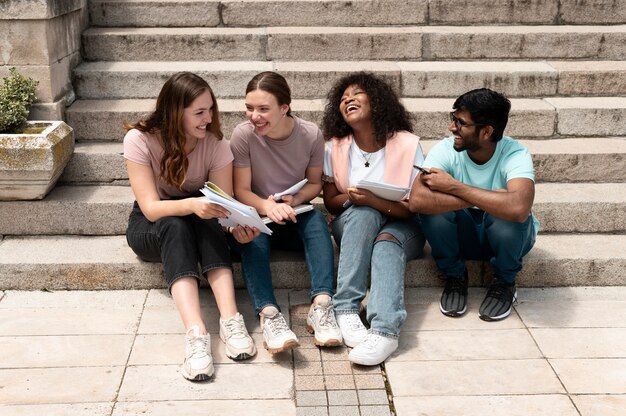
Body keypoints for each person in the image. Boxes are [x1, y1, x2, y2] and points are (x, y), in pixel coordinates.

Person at [123, 72, 258, 382]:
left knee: (206, 219)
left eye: (210, 109)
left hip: (202, 217)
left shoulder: (215, 144)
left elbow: (223, 206)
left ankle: (230, 319)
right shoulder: (140, 139)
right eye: (199, 112)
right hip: (151, 224)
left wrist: (234, 228)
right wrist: (192, 205)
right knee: (174, 222)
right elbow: (150, 207)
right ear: (174, 112)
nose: (208, 119)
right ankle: (196, 334)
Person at [229, 71, 342, 354]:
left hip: (294, 214)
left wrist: (295, 200)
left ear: (284, 107)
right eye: (249, 108)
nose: (254, 116)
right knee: (252, 233)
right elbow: (241, 190)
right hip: (259, 212)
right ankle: (269, 315)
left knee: (316, 220)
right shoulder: (243, 135)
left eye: (263, 109)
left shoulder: (310, 134)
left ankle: (323, 306)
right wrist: (268, 206)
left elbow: (315, 184)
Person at [321, 72, 425, 366]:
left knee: (387, 243)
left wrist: (376, 200)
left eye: (356, 94)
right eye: (343, 99)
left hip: (402, 225)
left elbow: (413, 207)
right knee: (365, 214)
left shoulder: (407, 144)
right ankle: (346, 308)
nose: (348, 100)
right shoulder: (336, 146)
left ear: (377, 102)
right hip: (354, 222)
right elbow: (329, 200)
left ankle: (384, 332)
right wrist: (355, 200)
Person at [409, 88, 538, 322]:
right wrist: (493, 198)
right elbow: (417, 200)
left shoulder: (515, 154)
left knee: (506, 216)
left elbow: (519, 208)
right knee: (434, 212)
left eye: (461, 123)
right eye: (453, 119)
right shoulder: (446, 149)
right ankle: (455, 277)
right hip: (463, 234)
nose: (452, 128)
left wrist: (453, 187)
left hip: (506, 239)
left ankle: (505, 282)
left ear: (487, 131)